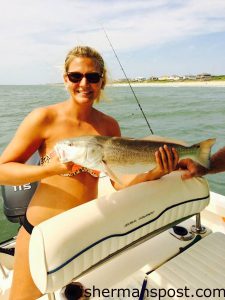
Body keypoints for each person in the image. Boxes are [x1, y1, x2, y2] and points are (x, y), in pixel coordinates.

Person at [0, 45, 178, 300]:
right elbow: (2, 171)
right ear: (66, 79)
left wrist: (155, 172)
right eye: (76, 76)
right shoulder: (43, 117)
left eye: (92, 77)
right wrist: (51, 169)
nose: (84, 83)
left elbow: (119, 182)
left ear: (102, 81)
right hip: (41, 232)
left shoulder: (108, 124)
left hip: (84, 232)